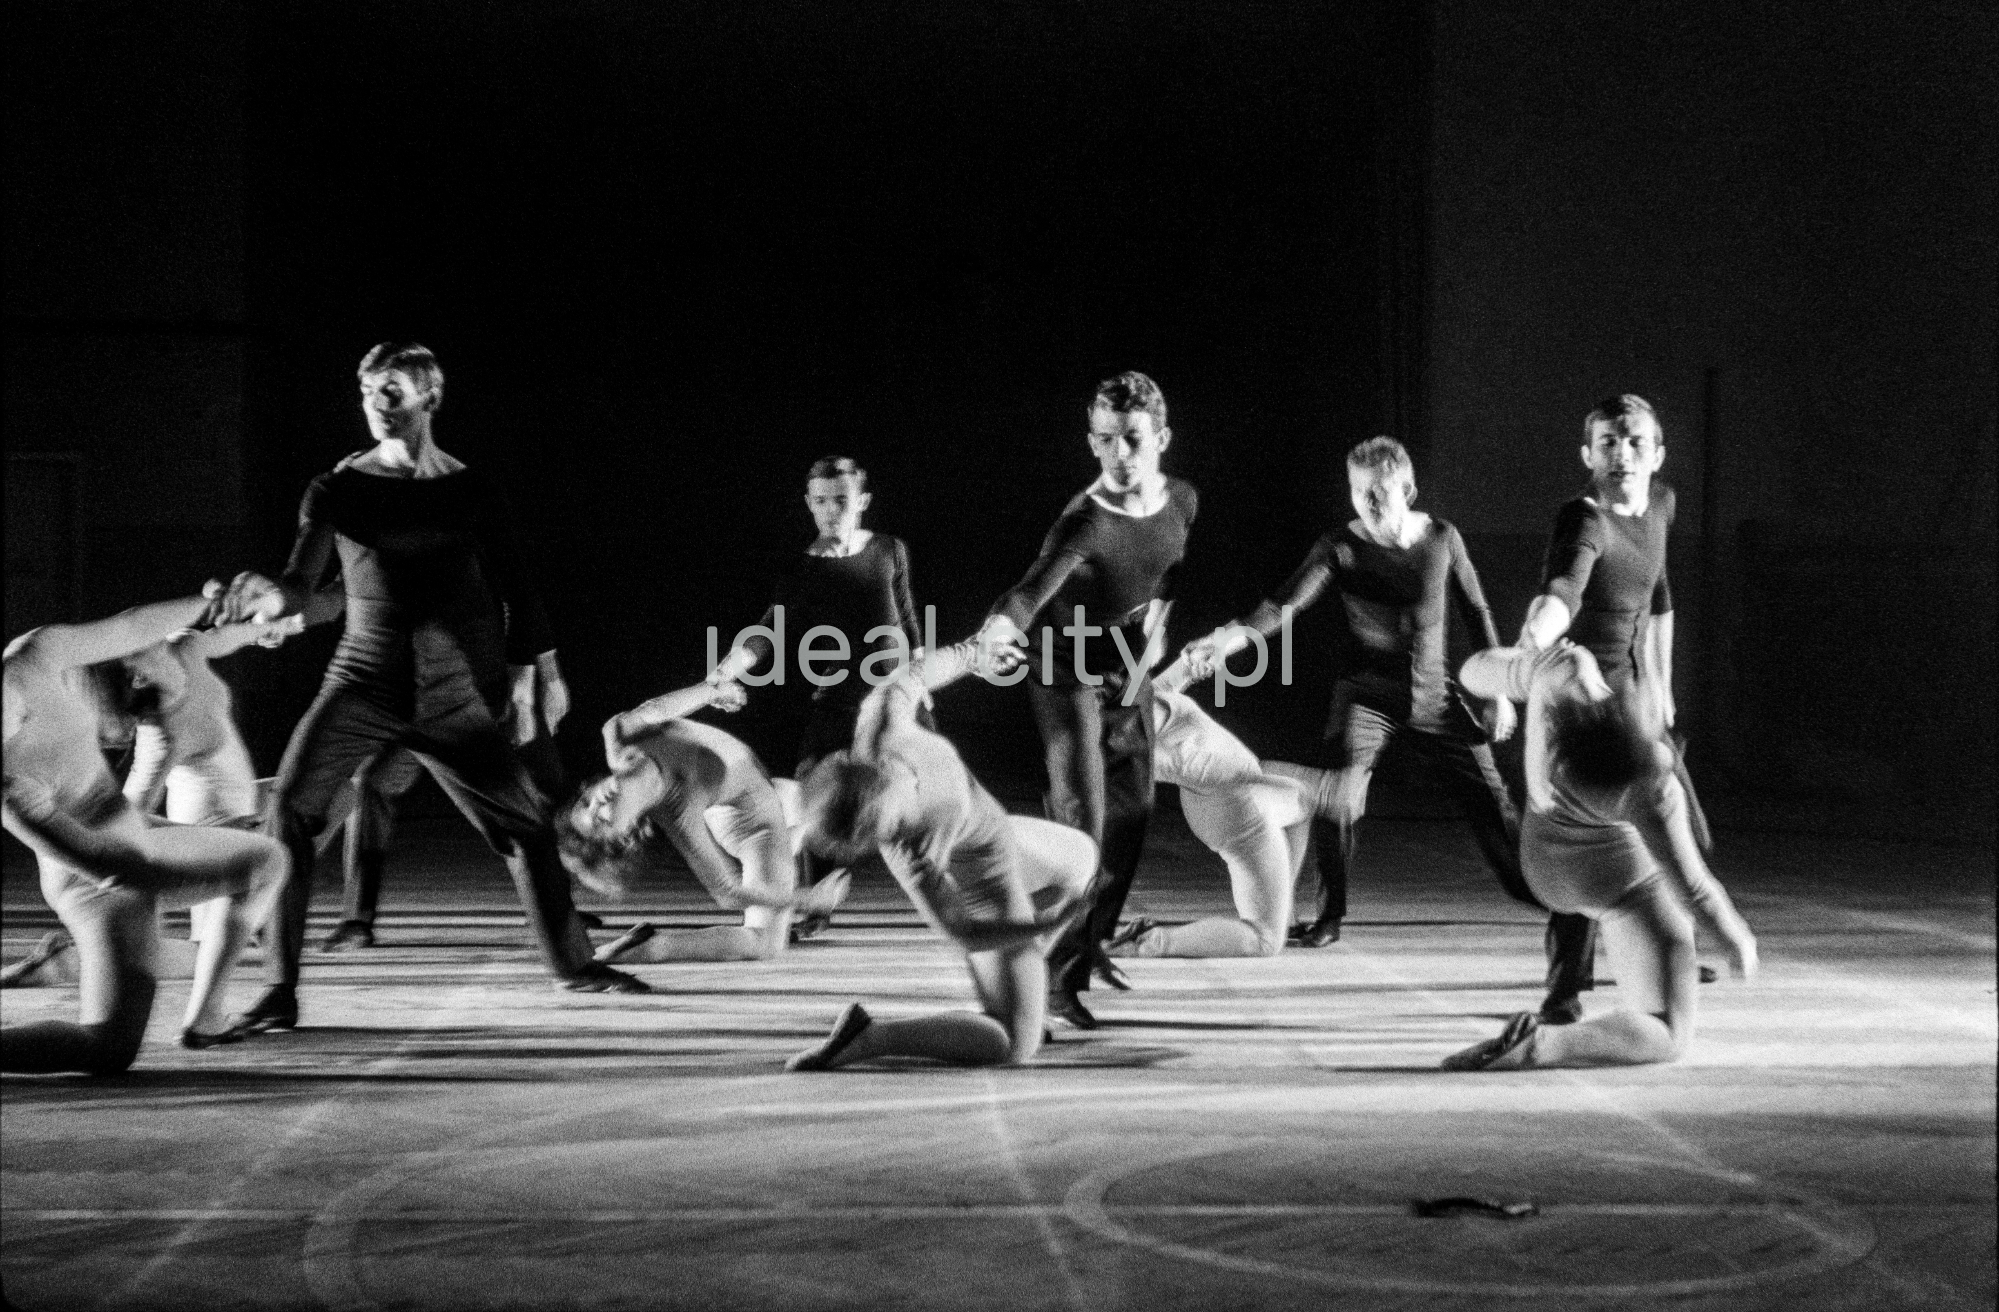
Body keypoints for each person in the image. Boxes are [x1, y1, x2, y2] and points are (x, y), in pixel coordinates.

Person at [214, 341, 639, 1033]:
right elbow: (300, 583)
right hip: (360, 684)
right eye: (368, 391)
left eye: (392, 392)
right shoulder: (338, 488)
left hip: (451, 696)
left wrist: (546, 674)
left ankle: (574, 966)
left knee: (526, 828)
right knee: (290, 810)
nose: (376, 405)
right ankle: (279, 990)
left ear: (428, 399)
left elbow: (517, 591)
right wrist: (268, 598)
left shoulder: (470, 489)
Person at [975, 371, 1198, 1029]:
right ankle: (1047, 978)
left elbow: (1167, 573)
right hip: (1063, 670)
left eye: (1131, 440)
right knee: (1085, 826)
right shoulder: (1085, 520)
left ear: (1159, 436)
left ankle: (1084, 943)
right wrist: (999, 627)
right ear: (1091, 442)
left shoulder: (1182, 500)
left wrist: (1157, 632)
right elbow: (1027, 590)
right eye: (1104, 441)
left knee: (1136, 815)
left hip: (1126, 668)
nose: (1118, 456)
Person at [2, 590, 289, 1071]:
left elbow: (132, 627)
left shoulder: (36, 654)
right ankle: (75, 966)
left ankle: (205, 1020)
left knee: (264, 860)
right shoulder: (10, 786)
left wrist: (211, 601)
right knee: (107, 1050)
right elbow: (115, 870)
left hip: (132, 837)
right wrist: (201, 853)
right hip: (91, 885)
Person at [1441, 641, 1756, 1070]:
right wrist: (1734, 936)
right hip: (1619, 883)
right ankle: (1543, 1045)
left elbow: (1471, 671)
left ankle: (1532, 1042)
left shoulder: (1563, 674)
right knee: (1669, 1034)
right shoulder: (1651, 783)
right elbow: (1694, 887)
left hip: (1546, 869)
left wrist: (1516, 672)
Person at [787, 641, 1099, 1070]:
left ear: (871, 769)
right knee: (1014, 1046)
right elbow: (963, 932)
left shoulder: (881, 727)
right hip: (987, 884)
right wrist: (1047, 922)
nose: (898, 827)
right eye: (888, 831)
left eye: (893, 814)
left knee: (1082, 857)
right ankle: (869, 1036)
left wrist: (975, 653)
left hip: (1001, 833)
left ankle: (1021, 983)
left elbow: (913, 675)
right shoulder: (912, 851)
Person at [1515, 394, 1698, 1023]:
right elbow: (1563, 590)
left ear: (1657, 453)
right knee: (1585, 843)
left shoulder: (1663, 507)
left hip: (1632, 696)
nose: (1622, 454)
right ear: (1588, 454)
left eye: (1635, 442)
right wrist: (1532, 641)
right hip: (1580, 701)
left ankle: (1668, 940)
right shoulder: (1583, 519)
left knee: (1686, 830)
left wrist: (1663, 686)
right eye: (1609, 444)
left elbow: (1661, 595)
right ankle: (1563, 990)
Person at [706, 456, 925, 937]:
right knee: (812, 793)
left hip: (896, 696)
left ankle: (959, 895)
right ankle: (815, 908)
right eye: (821, 501)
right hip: (839, 696)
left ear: (862, 502)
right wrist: (726, 670)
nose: (831, 511)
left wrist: (923, 683)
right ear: (809, 504)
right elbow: (770, 629)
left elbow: (908, 621)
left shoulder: (889, 549)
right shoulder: (802, 567)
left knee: (923, 798)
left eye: (841, 501)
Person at [555, 679, 848, 962]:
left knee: (806, 806)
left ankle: (795, 838)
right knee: (767, 944)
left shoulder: (618, 737)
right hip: (757, 826)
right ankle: (653, 948)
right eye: (601, 821)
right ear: (625, 834)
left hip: (767, 793)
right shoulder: (679, 810)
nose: (597, 803)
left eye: (585, 802)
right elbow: (728, 893)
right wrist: (807, 900)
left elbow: (656, 709)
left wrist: (712, 692)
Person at [1099, 656, 1326, 958]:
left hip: (1226, 802)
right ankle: (1149, 942)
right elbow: (1133, 761)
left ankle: (1284, 908)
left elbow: (1159, 690)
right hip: (1239, 811)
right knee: (1265, 941)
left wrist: (1187, 666)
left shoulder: (1140, 705)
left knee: (1303, 799)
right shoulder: (1135, 738)